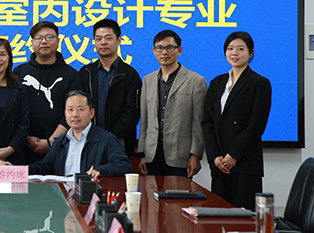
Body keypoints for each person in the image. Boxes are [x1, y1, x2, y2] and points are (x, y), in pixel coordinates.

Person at [202, 31, 272, 211]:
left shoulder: (259, 83)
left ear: (251, 53)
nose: (234, 53)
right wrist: (215, 157)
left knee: (243, 217)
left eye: (241, 49)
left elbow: (256, 126)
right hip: (219, 164)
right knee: (218, 215)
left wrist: (233, 156)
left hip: (245, 163)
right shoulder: (217, 83)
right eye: (230, 48)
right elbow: (207, 122)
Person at [138, 30, 207, 178]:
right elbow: (145, 121)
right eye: (159, 48)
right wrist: (142, 153)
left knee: (179, 193)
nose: (164, 52)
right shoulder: (148, 80)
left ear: (179, 50)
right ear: (154, 51)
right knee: (152, 193)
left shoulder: (196, 81)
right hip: (152, 155)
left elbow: (199, 122)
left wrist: (195, 155)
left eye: (169, 47)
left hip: (180, 155)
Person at [13, 21, 82, 163]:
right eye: (38, 38)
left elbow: (74, 112)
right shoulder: (19, 72)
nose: (44, 42)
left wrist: (51, 142)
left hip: (61, 146)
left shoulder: (71, 75)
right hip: (23, 146)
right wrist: (25, 138)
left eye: (49, 37)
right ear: (32, 43)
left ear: (58, 41)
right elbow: (12, 110)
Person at [29, 91, 131, 177]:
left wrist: (99, 171)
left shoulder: (107, 140)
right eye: (70, 110)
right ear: (65, 113)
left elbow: (124, 166)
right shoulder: (60, 142)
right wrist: (20, 170)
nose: (75, 114)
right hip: (63, 192)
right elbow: (43, 167)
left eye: (80, 109)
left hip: (90, 192)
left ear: (91, 113)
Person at [80, 19, 142, 156]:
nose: (103, 42)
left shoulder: (130, 75)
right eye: (98, 39)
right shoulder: (86, 73)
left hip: (119, 142)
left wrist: (109, 137)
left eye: (108, 38)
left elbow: (133, 112)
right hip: (88, 140)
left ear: (119, 40)